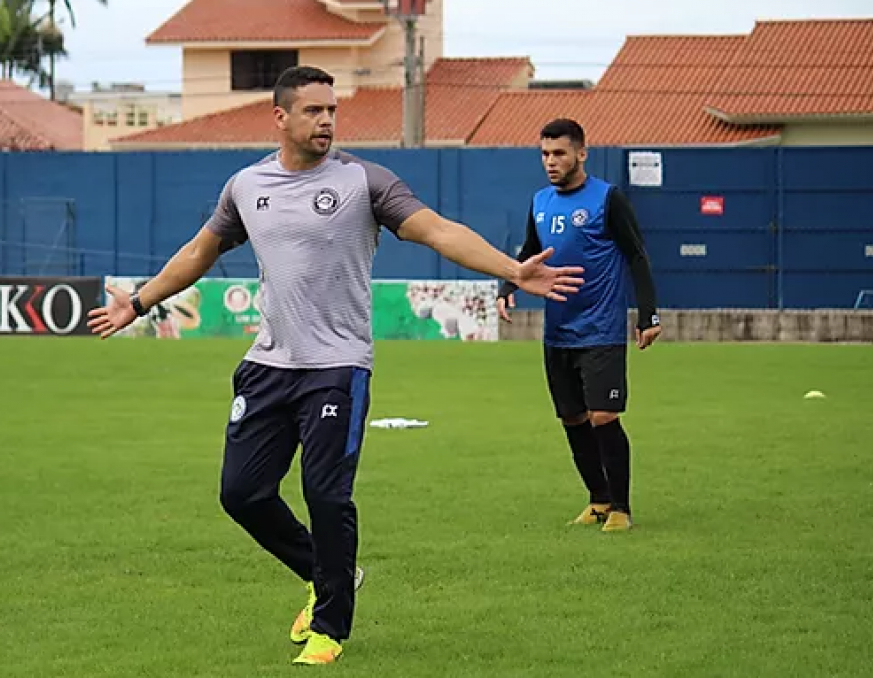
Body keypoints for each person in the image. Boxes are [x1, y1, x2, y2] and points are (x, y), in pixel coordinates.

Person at [87, 66, 585, 666]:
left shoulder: (363, 182)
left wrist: (511, 268)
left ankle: (330, 627)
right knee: (240, 494)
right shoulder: (247, 186)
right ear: (281, 117)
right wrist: (139, 302)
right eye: (313, 111)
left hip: (338, 367)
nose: (326, 121)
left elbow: (435, 230)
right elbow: (201, 251)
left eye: (331, 111)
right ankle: (327, 572)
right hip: (268, 365)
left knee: (325, 494)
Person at [496, 118, 661, 533]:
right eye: (545, 154)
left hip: (601, 328)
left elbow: (637, 256)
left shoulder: (608, 199)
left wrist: (647, 315)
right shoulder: (540, 202)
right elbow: (528, 253)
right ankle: (598, 499)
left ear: (581, 154)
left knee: (603, 415)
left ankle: (621, 508)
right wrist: (506, 285)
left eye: (559, 154)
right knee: (572, 418)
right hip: (558, 330)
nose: (551, 162)